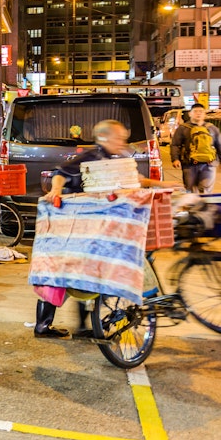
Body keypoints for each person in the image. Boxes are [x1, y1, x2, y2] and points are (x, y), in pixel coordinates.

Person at [38, 120, 179, 339]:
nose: (122, 142)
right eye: (118, 138)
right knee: (65, 274)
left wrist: (163, 186)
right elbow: (60, 173)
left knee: (88, 275)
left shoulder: (118, 159)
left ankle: (85, 326)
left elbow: (136, 181)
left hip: (103, 226)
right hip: (81, 224)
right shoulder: (90, 157)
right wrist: (56, 190)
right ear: (104, 138)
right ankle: (45, 326)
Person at [170, 102, 221, 193]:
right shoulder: (183, 128)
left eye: (201, 111)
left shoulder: (212, 128)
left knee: (205, 191)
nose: (198, 113)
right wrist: (175, 159)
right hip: (189, 164)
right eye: (196, 111)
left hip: (209, 164)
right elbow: (175, 144)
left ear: (204, 114)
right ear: (190, 114)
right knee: (190, 191)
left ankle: (203, 206)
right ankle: (194, 206)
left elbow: (219, 145)